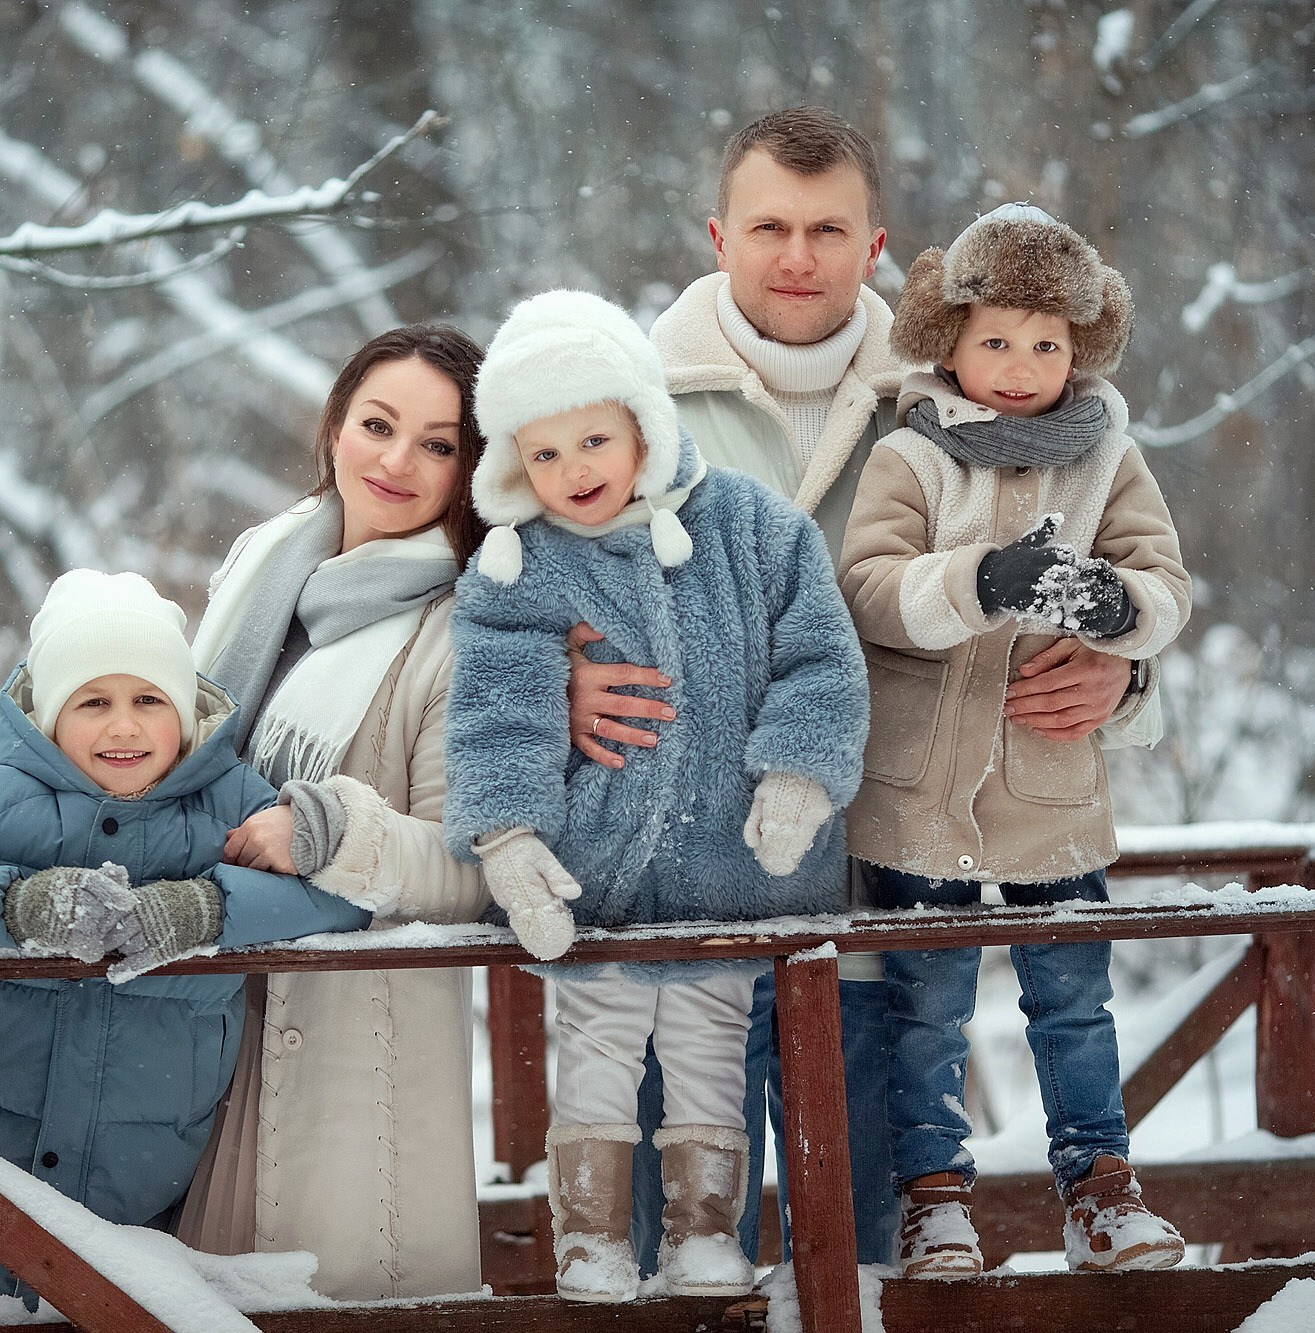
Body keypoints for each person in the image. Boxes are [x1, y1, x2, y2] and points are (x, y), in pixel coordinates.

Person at [612, 105, 1167, 1267]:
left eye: (827, 228)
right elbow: (559, 601)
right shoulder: (632, 405)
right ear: (716, 234)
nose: (796, 256)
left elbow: (1110, 569)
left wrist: (1121, 673)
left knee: (862, 1255)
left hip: (880, 884)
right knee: (676, 1257)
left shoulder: (966, 389)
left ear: (876, 247)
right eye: (769, 226)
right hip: (684, 884)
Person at [443, 289, 868, 1303]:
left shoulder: (755, 529)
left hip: (730, 867)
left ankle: (703, 1231)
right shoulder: (517, 570)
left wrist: (798, 774)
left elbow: (821, 658)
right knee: (591, 1056)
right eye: (542, 455)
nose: (573, 471)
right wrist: (507, 839)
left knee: (710, 1051)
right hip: (597, 881)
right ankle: (589, 1236)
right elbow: (494, 715)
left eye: (593, 438)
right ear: (511, 461)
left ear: (643, 421)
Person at [0, 569, 371, 1316]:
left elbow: (344, 896)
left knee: (119, 1308)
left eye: (149, 699)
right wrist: (18, 902)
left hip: (146, 1181)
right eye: (94, 701)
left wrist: (204, 907)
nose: (124, 726)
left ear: (184, 709)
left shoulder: (231, 802)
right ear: (52, 715)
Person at [839, 202, 1193, 1275]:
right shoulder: (910, 457)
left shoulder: (1106, 461)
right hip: (919, 794)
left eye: (1045, 344)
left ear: (1078, 349)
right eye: (994, 338)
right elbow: (866, 588)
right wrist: (977, 580)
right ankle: (933, 1194)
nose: (1018, 363)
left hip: (1049, 791)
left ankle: (1098, 1186)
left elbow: (1164, 583)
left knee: (1071, 1002)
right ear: (944, 339)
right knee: (926, 1006)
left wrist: (1111, 609)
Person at [176, 324, 491, 1301]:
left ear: (470, 469)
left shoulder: (465, 629)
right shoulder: (261, 572)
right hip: (199, 1021)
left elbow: (473, 867)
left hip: (355, 1056)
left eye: (437, 444)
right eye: (377, 424)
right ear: (335, 426)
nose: (396, 461)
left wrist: (332, 832)